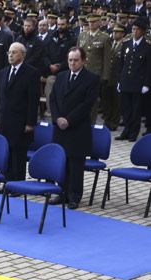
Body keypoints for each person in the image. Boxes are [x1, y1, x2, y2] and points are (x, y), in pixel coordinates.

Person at [49, 47, 100, 210]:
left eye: (76, 60)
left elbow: (87, 104)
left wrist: (68, 120)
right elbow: (53, 99)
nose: (72, 63)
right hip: (60, 127)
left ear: (83, 61)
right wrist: (57, 118)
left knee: (76, 164)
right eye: (70, 60)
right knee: (62, 162)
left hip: (77, 128)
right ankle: (62, 192)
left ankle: (74, 195)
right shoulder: (62, 76)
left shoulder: (91, 79)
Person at [0, 43, 40, 183]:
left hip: (20, 122)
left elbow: (33, 100)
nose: (10, 55)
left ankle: (17, 183)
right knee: (6, 154)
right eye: (9, 52)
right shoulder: (3, 72)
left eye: (14, 52)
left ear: (22, 55)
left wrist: (30, 123)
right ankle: (6, 183)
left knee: (18, 155)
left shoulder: (31, 72)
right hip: (5, 120)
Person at [116, 18, 151, 143]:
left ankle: (133, 132)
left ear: (142, 31)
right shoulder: (126, 44)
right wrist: (119, 81)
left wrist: (147, 84)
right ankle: (126, 130)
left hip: (138, 83)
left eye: (137, 29)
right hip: (126, 81)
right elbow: (122, 64)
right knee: (126, 109)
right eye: (133, 29)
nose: (134, 32)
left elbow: (148, 68)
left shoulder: (147, 47)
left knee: (136, 110)